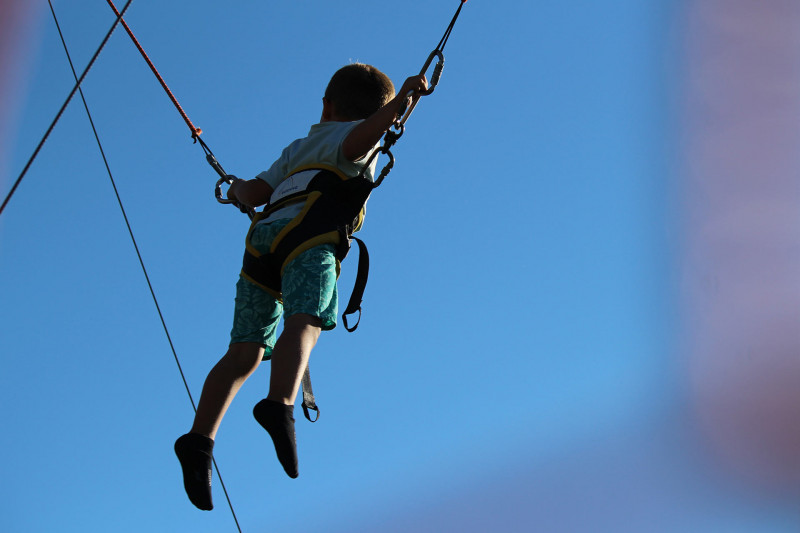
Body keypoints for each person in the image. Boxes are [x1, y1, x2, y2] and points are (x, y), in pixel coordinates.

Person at [174, 63, 428, 511]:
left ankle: (199, 440)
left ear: (326, 105)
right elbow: (360, 140)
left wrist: (236, 191)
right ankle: (280, 403)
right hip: (308, 237)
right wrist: (400, 106)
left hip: (261, 247)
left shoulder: (297, 147)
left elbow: (254, 194)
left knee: (244, 352)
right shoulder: (352, 140)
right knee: (305, 321)